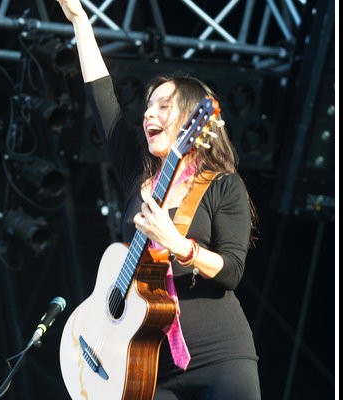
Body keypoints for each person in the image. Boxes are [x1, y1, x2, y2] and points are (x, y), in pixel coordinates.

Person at [57, 1, 262, 399]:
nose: (149, 113)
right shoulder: (138, 177)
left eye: (163, 106)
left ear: (191, 120)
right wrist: (80, 20)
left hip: (222, 358)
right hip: (147, 365)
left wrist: (180, 245)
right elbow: (103, 102)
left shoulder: (222, 185)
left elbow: (233, 270)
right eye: (148, 105)